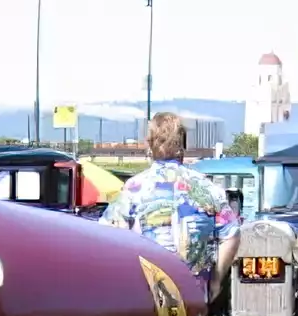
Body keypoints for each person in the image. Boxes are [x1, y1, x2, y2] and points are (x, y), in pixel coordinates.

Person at [99, 112, 240, 301]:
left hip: (145, 297)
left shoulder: (134, 189)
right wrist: (216, 280)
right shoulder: (207, 189)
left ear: (149, 144)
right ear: (184, 144)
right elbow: (231, 235)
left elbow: (106, 235)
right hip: (193, 297)